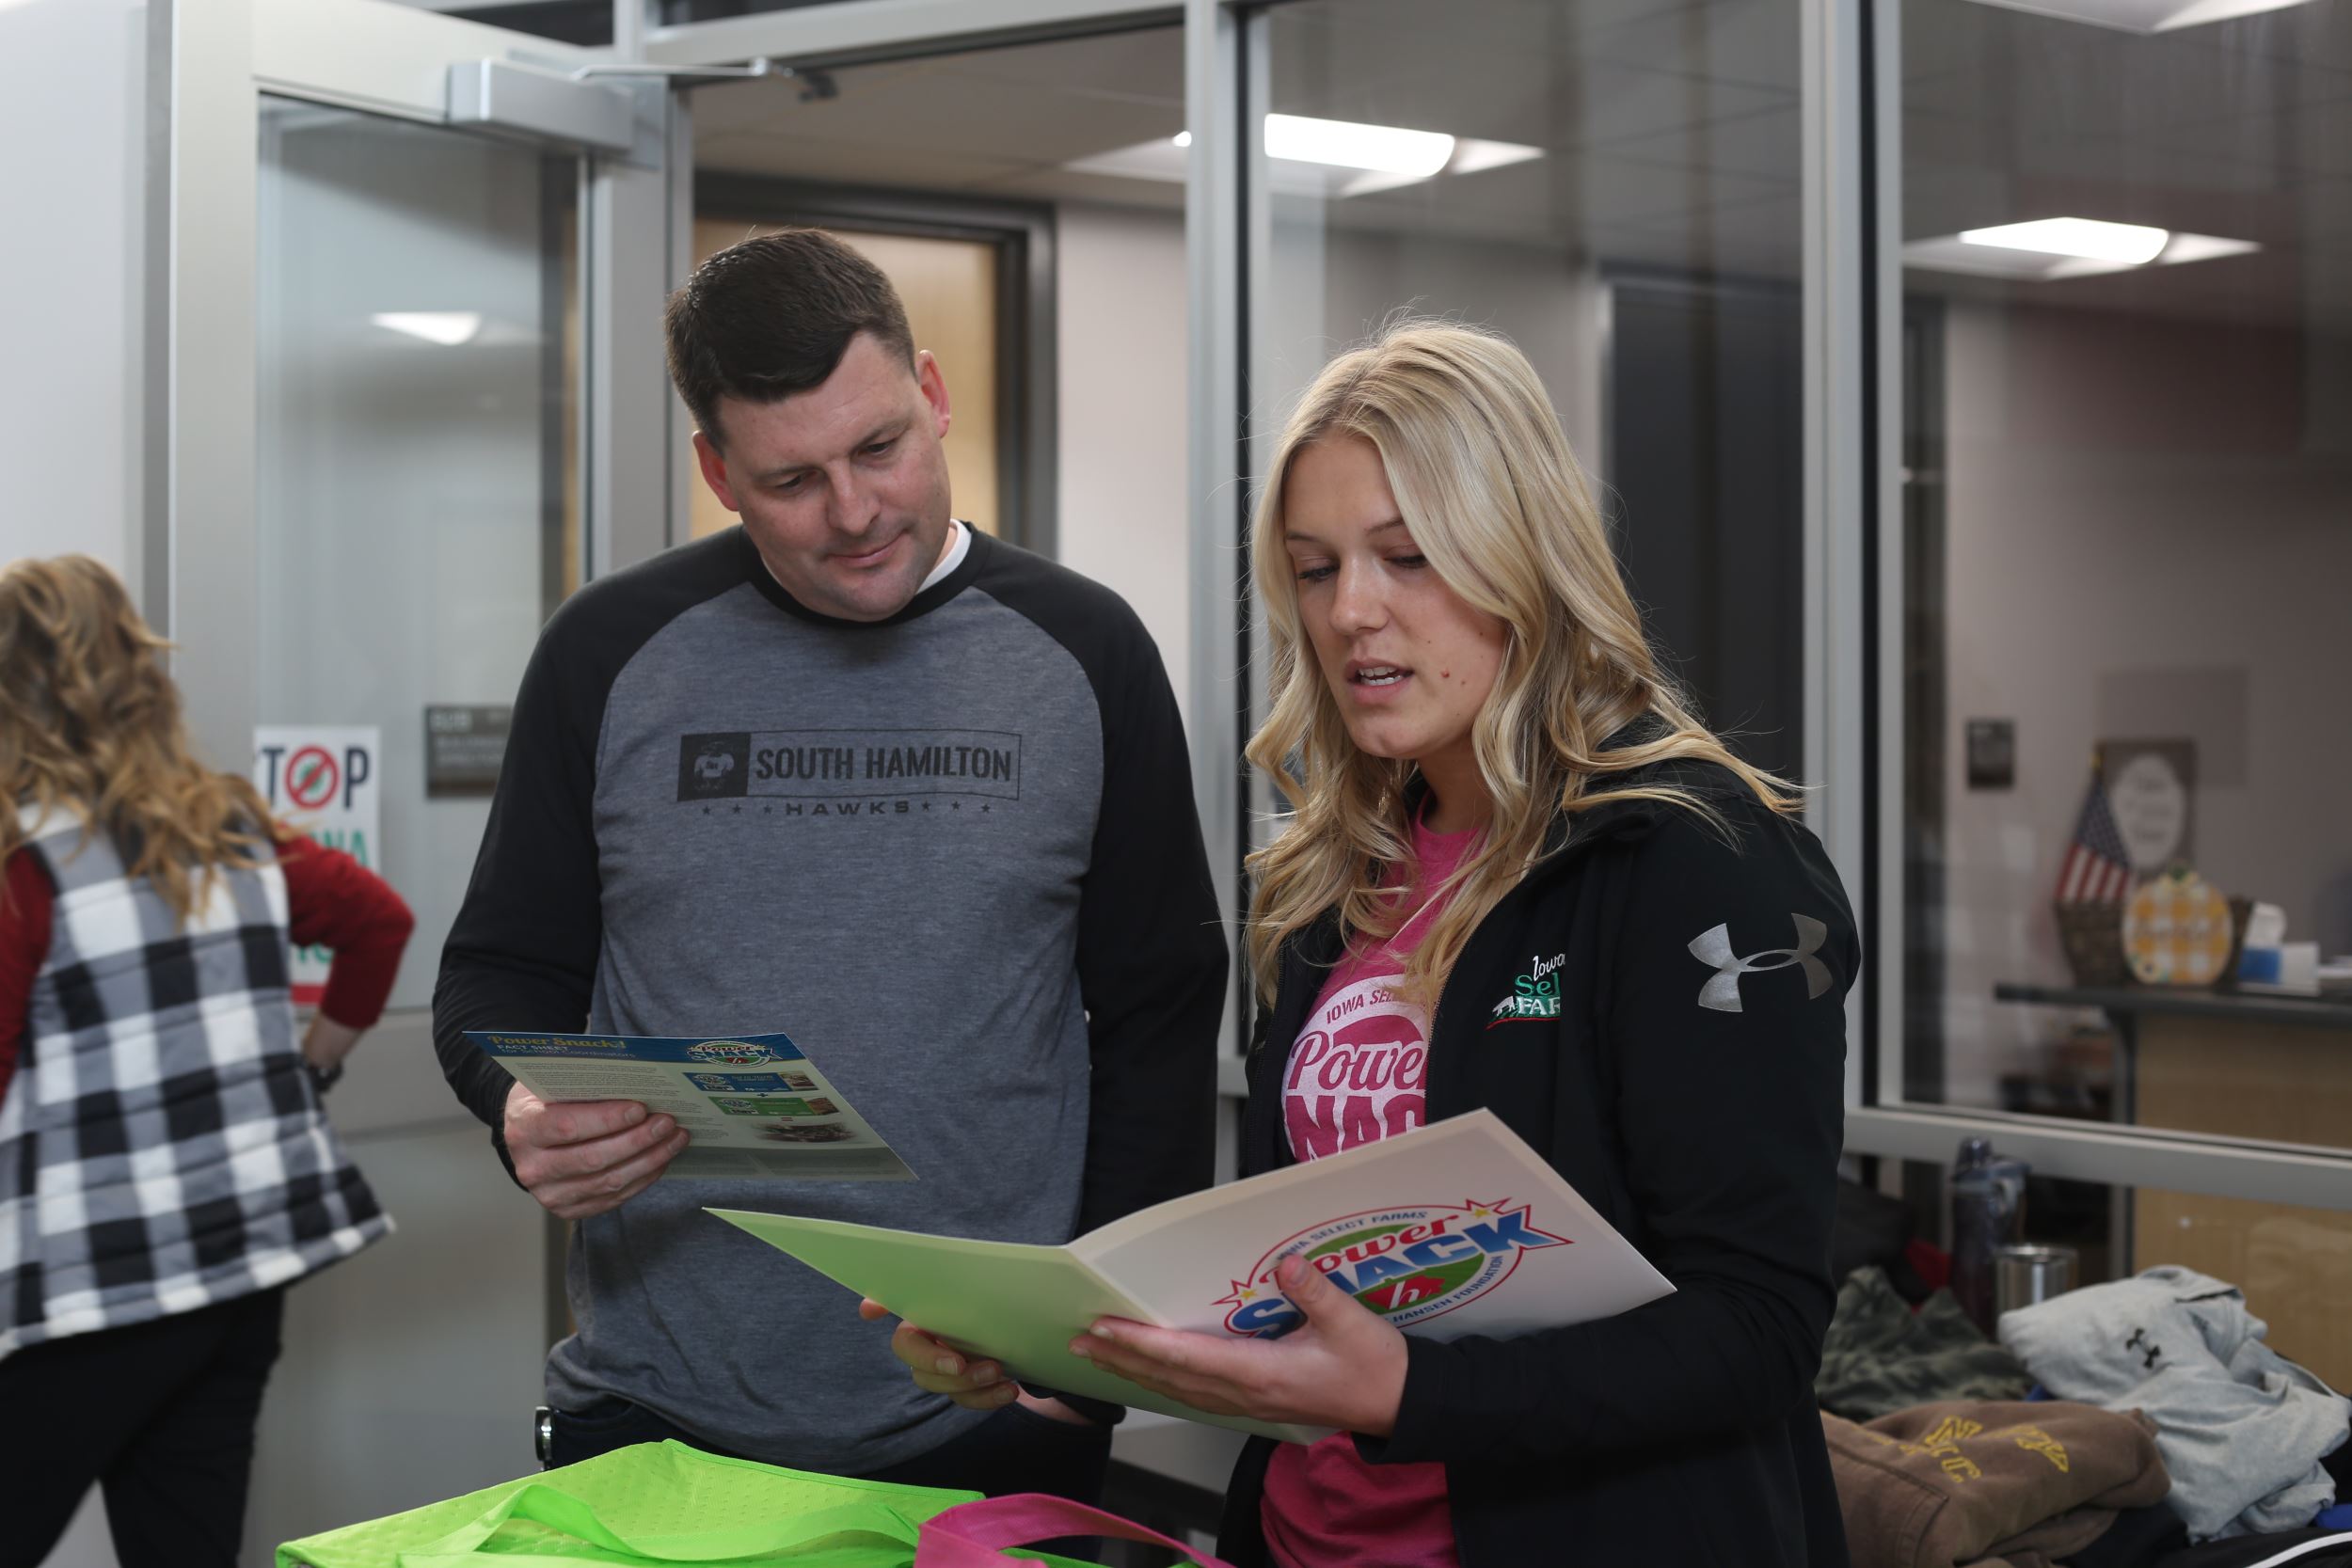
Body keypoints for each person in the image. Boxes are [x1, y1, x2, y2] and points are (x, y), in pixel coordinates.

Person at [883, 321, 1857, 1566]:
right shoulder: (1338, 872)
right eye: (1313, 566)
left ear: (1522, 556)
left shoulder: (1689, 858)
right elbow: (1303, 1288)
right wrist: (1051, 1346)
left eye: (1406, 556)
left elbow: (1758, 1328)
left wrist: (1404, 1391)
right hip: (1308, 1535)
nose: (1351, 611)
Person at [431, 229, 1227, 1500]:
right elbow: (496, 972)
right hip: (654, 1408)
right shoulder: (610, 651)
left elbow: (1161, 1017)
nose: (855, 512)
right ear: (716, 467)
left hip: (989, 1413)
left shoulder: (1086, 650)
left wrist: (1089, 1360)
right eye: (793, 477)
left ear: (933, 390)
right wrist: (514, 1103)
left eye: (882, 446)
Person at [0, 555, 411, 1568]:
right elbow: (379, 921)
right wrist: (312, 1065)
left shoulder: (30, 871)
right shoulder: (232, 833)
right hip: (238, 1273)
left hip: (98, 1291)